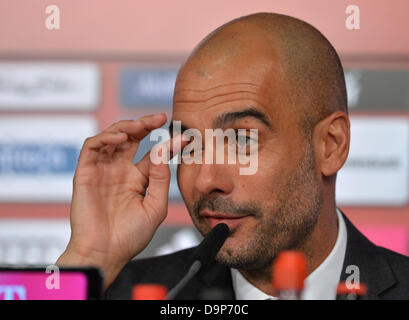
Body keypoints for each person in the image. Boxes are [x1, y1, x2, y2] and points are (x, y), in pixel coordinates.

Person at [56, 12, 409, 299]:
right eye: (190, 145)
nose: (206, 180)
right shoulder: (125, 290)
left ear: (330, 146)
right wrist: (89, 259)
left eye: (242, 140)